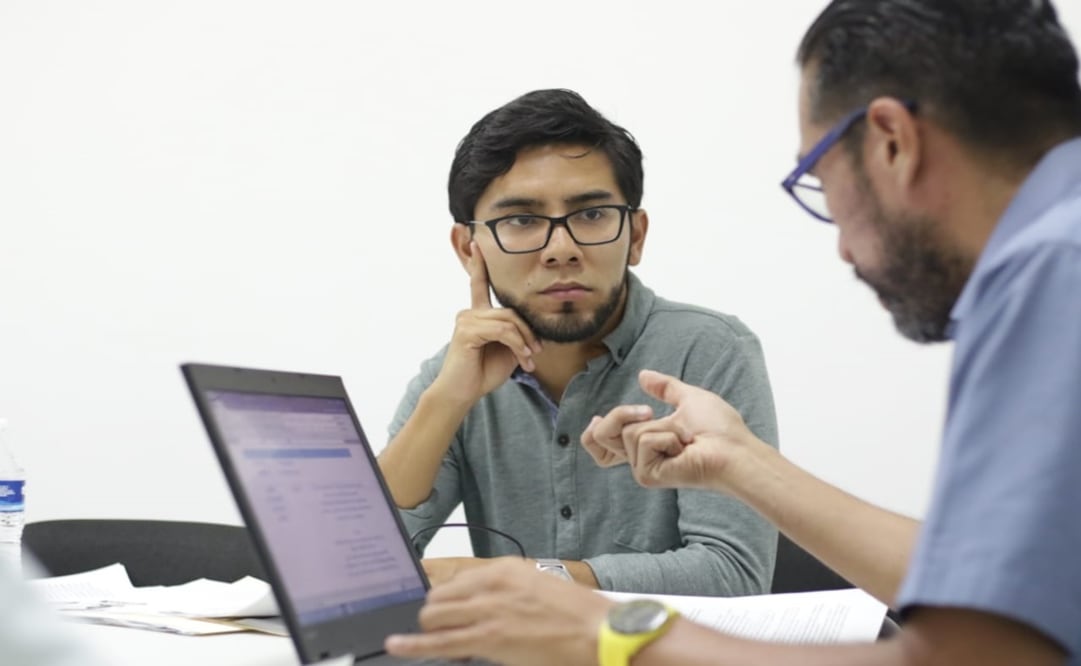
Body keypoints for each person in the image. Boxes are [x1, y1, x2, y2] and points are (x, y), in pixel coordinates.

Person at [383, 1, 1081, 664]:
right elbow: (994, 589)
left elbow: (981, 651)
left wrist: (599, 628)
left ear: (892, 142)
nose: (840, 247)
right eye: (522, 221)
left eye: (816, 178)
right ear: (469, 247)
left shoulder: (1053, 271)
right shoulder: (1055, 253)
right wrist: (740, 463)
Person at [376, 88, 780, 595]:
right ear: (468, 249)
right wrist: (446, 401)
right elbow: (361, 563)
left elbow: (734, 575)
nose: (560, 250)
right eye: (521, 221)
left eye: (591, 215)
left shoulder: (710, 350)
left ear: (635, 235)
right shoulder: (453, 376)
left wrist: (535, 580)